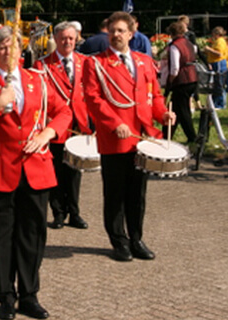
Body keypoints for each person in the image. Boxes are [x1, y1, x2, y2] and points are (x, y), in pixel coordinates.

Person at [0, 26, 72, 320]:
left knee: (32, 235)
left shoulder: (38, 81)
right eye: (1, 47)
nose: (7, 53)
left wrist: (48, 133)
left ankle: (29, 295)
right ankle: (5, 297)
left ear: (21, 52)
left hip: (36, 168)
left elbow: (65, 111)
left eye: (12, 47)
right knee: (0, 237)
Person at [83, 11, 176, 262]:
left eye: (121, 31)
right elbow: (93, 99)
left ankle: (136, 239)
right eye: (112, 31)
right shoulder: (96, 63)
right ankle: (119, 241)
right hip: (115, 138)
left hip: (143, 138)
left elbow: (153, 95)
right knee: (115, 193)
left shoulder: (144, 61)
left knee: (137, 194)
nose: (115, 35)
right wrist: (115, 123)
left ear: (131, 34)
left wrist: (163, 114)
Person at [33, 21, 91, 230]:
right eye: (63, 38)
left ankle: (74, 212)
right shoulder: (43, 65)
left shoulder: (84, 62)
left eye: (71, 38)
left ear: (76, 40)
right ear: (55, 40)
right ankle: (58, 212)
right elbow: (39, 95)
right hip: (55, 125)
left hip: (78, 124)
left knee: (75, 172)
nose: (67, 42)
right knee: (55, 170)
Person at [163, 22, 198, 144]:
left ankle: (192, 137)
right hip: (193, 79)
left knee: (182, 111)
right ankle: (167, 134)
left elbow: (175, 69)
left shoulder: (174, 46)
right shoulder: (190, 44)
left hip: (182, 81)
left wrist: (170, 82)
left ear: (171, 33)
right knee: (176, 109)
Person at [204, 26, 228, 109]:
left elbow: (219, 54)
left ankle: (220, 104)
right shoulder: (217, 41)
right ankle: (215, 103)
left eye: (213, 34)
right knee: (216, 84)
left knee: (219, 83)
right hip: (215, 63)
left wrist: (209, 49)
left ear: (217, 34)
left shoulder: (220, 41)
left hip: (219, 64)